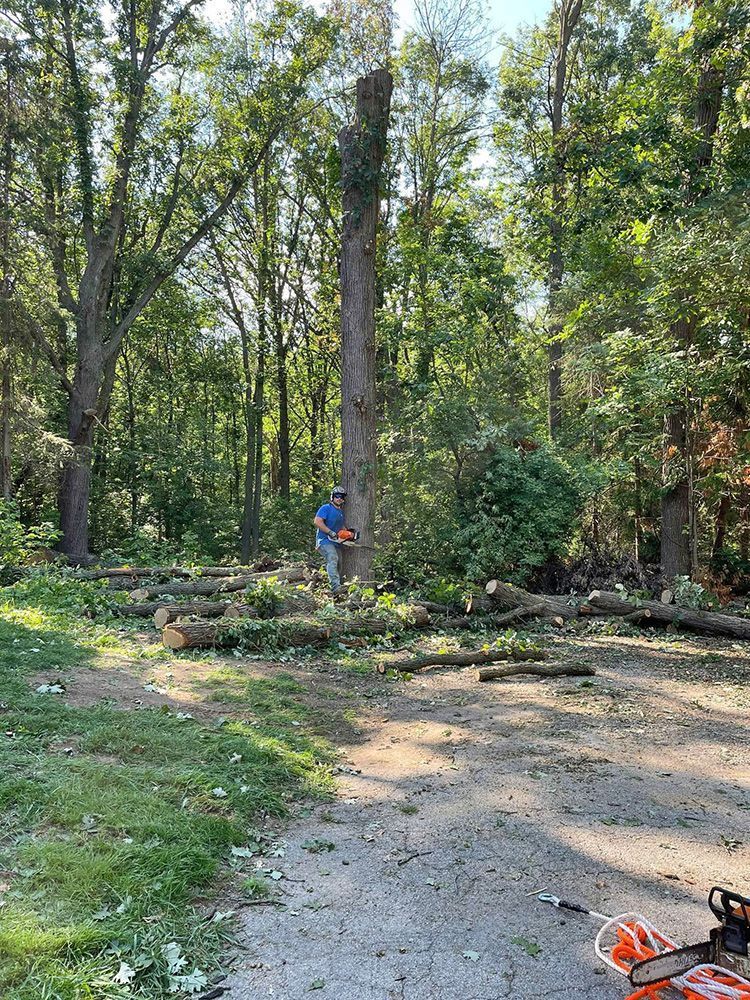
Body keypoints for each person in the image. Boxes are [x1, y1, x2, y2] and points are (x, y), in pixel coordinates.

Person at [314, 486, 350, 594]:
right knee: (333, 558)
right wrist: (330, 532)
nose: (339, 498)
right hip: (324, 540)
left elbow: (340, 527)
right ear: (332, 497)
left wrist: (349, 534)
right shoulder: (326, 508)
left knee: (339, 564)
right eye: (337, 496)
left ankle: (337, 592)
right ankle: (335, 587)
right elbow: (317, 521)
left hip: (336, 542)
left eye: (341, 497)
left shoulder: (340, 512)